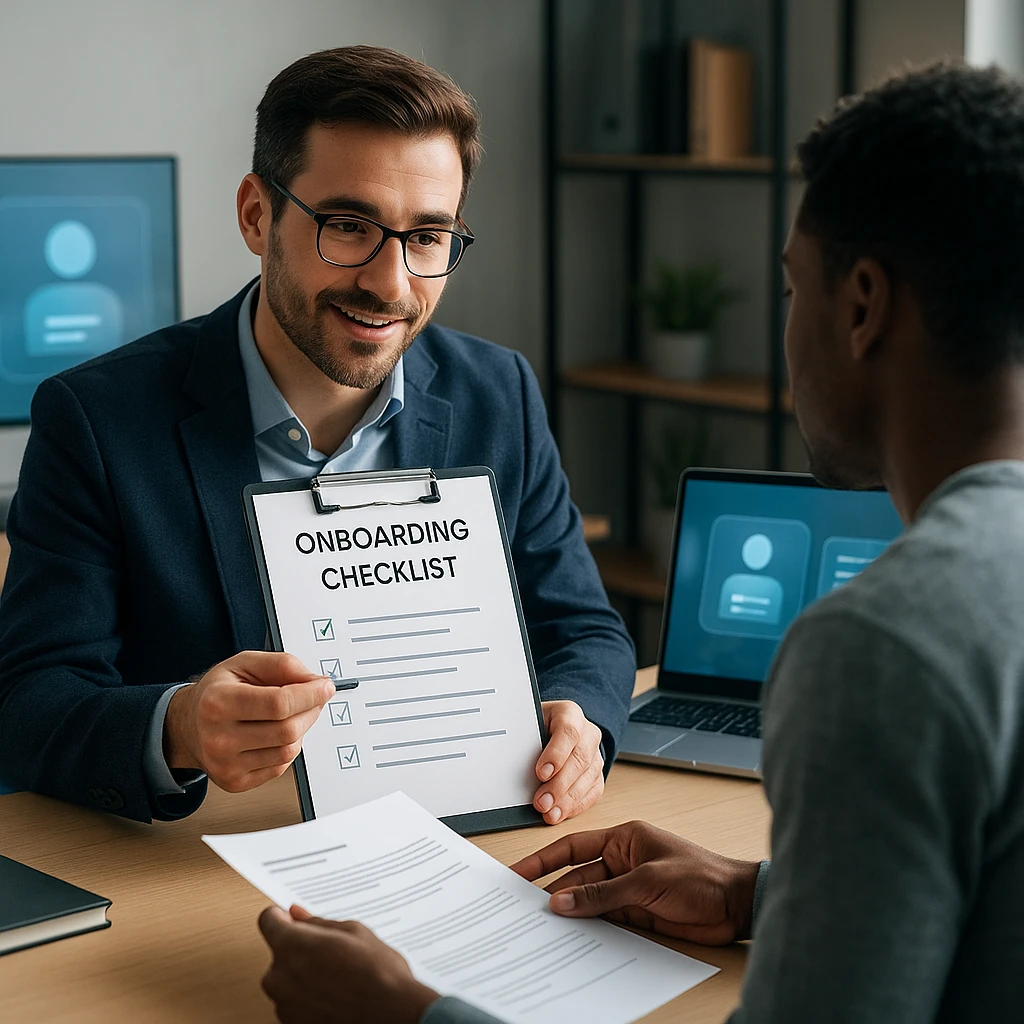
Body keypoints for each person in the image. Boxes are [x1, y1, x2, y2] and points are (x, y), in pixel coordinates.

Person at [255, 60, 1024, 1023]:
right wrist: (759, 891)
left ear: (861, 306)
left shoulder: (885, 646)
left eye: (792, 290)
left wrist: (407, 1017)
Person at [0, 46, 635, 825]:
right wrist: (178, 726)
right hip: (206, 865)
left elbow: (583, 628)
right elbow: (28, 703)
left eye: (428, 237)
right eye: (347, 225)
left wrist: (581, 723)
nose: (390, 284)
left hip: (461, 840)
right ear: (255, 215)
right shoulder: (96, 420)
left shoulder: (498, 392)